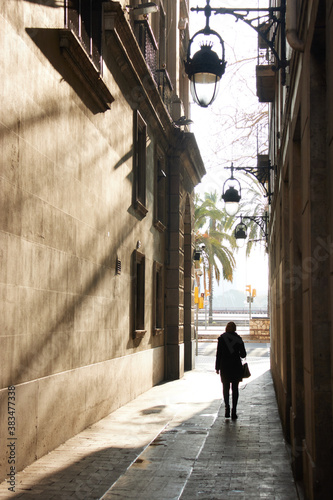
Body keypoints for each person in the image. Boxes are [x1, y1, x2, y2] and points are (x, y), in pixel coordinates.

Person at [215, 321, 246, 420]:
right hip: (235, 366)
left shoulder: (222, 338)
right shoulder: (238, 339)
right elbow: (243, 354)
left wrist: (217, 367)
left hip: (225, 366)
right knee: (235, 389)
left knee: (225, 388)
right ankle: (234, 411)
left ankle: (227, 408)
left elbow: (218, 354)